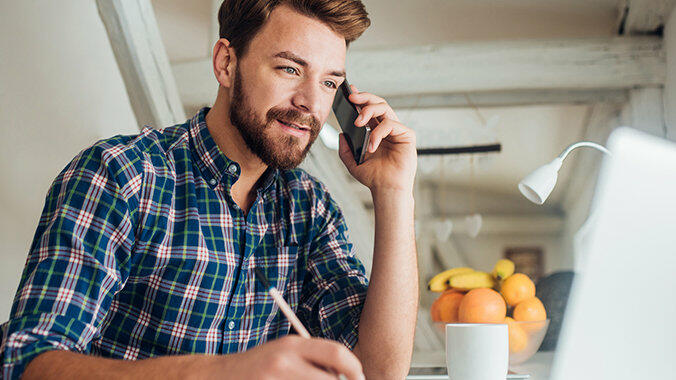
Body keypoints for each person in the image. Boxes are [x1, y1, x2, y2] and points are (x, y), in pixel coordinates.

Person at [0, 0, 418, 378]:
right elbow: (27, 362)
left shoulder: (312, 210)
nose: (311, 102)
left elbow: (379, 373)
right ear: (226, 64)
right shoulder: (122, 177)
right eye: (290, 69)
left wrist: (394, 192)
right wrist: (220, 373)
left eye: (329, 83)